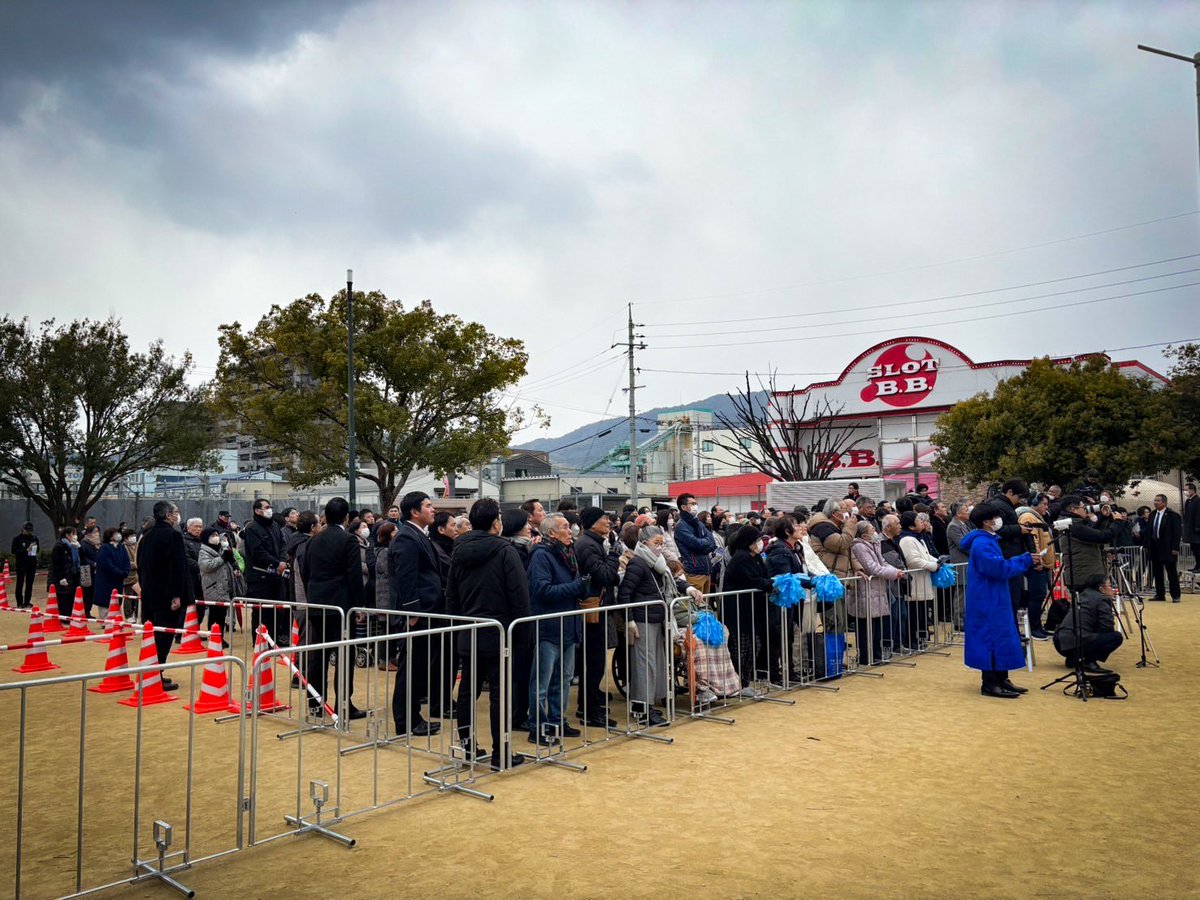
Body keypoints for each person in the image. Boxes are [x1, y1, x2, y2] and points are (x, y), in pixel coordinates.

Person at [445, 498, 530, 768]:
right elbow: (519, 594)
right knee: (498, 693)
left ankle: (469, 747)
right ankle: (500, 751)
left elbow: (452, 596)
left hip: (469, 630)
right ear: (496, 523)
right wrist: (523, 632)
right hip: (500, 631)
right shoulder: (505, 551)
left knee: (468, 692)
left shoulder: (458, 550)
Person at [960, 503, 1039, 698]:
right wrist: (1025, 560)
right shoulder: (982, 543)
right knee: (990, 638)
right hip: (987, 599)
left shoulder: (988, 539)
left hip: (993, 596)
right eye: (996, 517)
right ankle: (990, 682)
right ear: (986, 522)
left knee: (1001, 636)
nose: (999, 521)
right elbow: (998, 569)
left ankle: (1002, 677)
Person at [299, 497, 366, 720]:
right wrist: (359, 607)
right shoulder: (348, 540)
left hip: (317, 602)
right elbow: (354, 576)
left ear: (325, 517)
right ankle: (343, 705)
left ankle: (315, 703)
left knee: (318, 655)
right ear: (347, 518)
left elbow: (305, 571)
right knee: (344, 655)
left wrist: (313, 595)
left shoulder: (313, 540)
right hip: (341, 604)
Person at [390, 491, 450, 737]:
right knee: (411, 667)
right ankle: (406, 719)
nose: (432, 509)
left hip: (429, 609)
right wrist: (412, 611)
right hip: (419, 612)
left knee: (419, 666)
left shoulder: (418, 535)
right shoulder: (407, 538)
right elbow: (406, 577)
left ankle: (413, 716)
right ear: (415, 511)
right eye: (428, 505)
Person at [526, 513, 590, 744]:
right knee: (541, 683)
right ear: (551, 532)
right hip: (548, 626)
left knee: (562, 680)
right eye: (565, 527)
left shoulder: (568, 554)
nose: (570, 530)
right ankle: (538, 726)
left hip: (568, 626)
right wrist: (577, 586)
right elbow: (543, 591)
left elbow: (576, 587)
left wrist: (582, 586)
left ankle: (557, 721)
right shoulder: (541, 556)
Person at [617, 524, 688, 726]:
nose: (660, 546)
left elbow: (672, 581)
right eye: (657, 543)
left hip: (657, 617)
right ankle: (642, 709)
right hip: (643, 619)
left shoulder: (658, 562)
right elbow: (625, 593)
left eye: (662, 543)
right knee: (644, 665)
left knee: (655, 663)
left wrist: (688, 588)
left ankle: (650, 705)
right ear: (645, 542)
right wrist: (629, 620)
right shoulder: (638, 563)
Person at [573, 506, 621, 728]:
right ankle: (589, 711)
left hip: (598, 607)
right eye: (604, 518)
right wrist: (613, 556)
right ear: (593, 522)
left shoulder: (591, 542)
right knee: (593, 662)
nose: (609, 521)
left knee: (595, 662)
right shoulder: (588, 545)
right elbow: (604, 576)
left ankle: (590, 706)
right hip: (592, 609)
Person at [136, 501, 190, 685]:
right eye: (176, 512)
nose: (177, 515)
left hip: (150, 592)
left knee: (152, 633)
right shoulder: (173, 535)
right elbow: (177, 567)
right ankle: (156, 674)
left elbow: (141, 565)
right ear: (168, 515)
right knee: (164, 635)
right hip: (166, 594)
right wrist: (176, 594)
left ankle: (152, 671)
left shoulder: (147, 536)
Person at [721, 524, 774, 692]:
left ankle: (745, 681)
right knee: (740, 649)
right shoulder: (741, 558)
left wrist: (770, 582)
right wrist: (771, 584)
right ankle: (737, 684)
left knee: (754, 646)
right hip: (738, 611)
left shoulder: (756, 558)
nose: (760, 543)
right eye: (757, 540)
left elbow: (764, 576)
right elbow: (754, 581)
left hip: (752, 610)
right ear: (749, 543)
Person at [849, 520, 902, 664]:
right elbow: (871, 567)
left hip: (878, 588)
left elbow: (882, 562)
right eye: (872, 529)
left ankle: (877, 654)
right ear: (865, 534)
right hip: (866, 589)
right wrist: (893, 573)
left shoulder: (875, 544)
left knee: (878, 624)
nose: (875, 531)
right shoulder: (859, 547)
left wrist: (895, 571)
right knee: (866, 626)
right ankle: (866, 656)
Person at [1052, 574, 1123, 672]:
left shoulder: (1081, 595)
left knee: (1087, 632)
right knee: (1116, 637)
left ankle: (1074, 658)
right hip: (1077, 641)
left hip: (1059, 642)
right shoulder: (1102, 599)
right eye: (1110, 586)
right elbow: (1107, 627)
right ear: (1101, 588)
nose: (1112, 589)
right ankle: (1089, 661)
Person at [765, 516, 806, 683]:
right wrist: (811, 581)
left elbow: (799, 573)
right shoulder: (780, 550)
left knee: (788, 635)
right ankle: (775, 674)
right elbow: (787, 577)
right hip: (780, 601)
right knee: (778, 637)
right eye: (796, 526)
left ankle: (789, 671)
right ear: (787, 531)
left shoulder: (795, 548)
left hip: (790, 600)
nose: (800, 528)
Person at [243, 498, 288, 642]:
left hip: (276, 576)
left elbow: (283, 545)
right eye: (267, 507)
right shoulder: (252, 528)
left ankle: (273, 639)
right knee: (262, 612)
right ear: (258, 511)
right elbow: (258, 552)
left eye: (270, 506)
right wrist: (276, 563)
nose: (270, 509)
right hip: (259, 577)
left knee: (277, 611)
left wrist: (282, 561)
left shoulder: (274, 525)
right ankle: (260, 641)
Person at [1059, 495, 1120, 596]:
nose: (1086, 510)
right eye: (1083, 508)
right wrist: (1118, 522)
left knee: (1087, 607)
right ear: (1072, 509)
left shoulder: (1069, 523)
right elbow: (1102, 537)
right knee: (1093, 607)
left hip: (1081, 574)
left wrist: (1103, 518)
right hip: (1086, 577)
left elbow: (1093, 534)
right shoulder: (1074, 526)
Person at [898, 511, 939, 648]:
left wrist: (938, 562)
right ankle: (912, 641)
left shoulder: (919, 538)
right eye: (918, 520)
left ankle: (921, 639)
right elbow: (913, 560)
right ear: (910, 526)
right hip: (915, 582)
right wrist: (933, 566)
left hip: (923, 580)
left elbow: (926, 556)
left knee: (921, 613)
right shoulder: (907, 540)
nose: (922, 522)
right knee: (914, 615)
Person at [1018, 495, 1054, 640]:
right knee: (1036, 596)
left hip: (1042, 563)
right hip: (1037, 564)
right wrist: (1037, 561)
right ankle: (1034, 627)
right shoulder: (1028, 517)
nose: (1046, 507)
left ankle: (1038, 625)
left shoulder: (1037, 517)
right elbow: (1033, 541)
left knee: (1039, 596)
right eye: (1044, 504)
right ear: (1035, 503)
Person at [198, 527, 236, 642]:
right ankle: (215, 638)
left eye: (216, 534)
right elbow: (207, 566)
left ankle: (220, 637)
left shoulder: (219, 549)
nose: (216, 537)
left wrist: (229, 558)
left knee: (221, 615)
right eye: (213, 535)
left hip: (223, 587)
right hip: (213, 587)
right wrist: (222, 558)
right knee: (214, 615)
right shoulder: (203, 552)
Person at [674, 493, 716, 593]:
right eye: (692, 503)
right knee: (697, 605)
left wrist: (703, 544)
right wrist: (704, 543)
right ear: (683, 507)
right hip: (694, 572)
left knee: (705, 606)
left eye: (695, 503)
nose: (695, 506)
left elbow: (712, 542)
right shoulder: (681, 526)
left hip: (706, 571)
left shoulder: (698, 523)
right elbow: (696, 544)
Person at [1145, 493, 1182, 602]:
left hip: (1168, 547)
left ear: (1164, 503)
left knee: (1171, 572)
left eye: (1158, 500)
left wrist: (1175, 548)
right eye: (1155, 500)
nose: (1155, 502)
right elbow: (1149, 531)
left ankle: (1175, 595)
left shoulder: (1172, 515)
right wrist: (1147, 545)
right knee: (1157, 572)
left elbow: (1177, 533)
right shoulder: (1152, 515)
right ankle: (1160, 594)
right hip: (1155, 547)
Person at [372, 521, 398, 671]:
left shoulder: (387, 551)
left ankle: (391, 658)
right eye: (394, 531)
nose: (397, 533)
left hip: (387, 596)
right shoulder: (384, 552)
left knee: (391, 629)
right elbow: (388, 572)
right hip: (385, 597)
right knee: (386, 629)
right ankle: (384, 660)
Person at [93, 527, 131, 621]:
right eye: (115, 533)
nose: (118, 535)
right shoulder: (105, 548)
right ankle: (105, 620)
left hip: (118, 579)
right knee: (106, 600)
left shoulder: (121, 547)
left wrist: (125, 571)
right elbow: (107, 565)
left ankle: (116, 619)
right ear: (110, 536)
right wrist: (120, 573)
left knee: (117, 599)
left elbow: (127, 560)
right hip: (106, 580)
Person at [49, 526, 81, 608]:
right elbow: (57, 563)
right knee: (64, 598)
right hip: (62, 577)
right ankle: (65, 617)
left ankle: (70, 615)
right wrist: (61, 577)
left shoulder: (73, 546)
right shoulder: (59, 546)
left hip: (72, 575)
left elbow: (76, 561)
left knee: (72, 596)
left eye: (76, 534)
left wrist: (78, 548)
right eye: (73, 534)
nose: (75, 536)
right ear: (67, 535)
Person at [11, 522, 39, 609]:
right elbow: (13, 550)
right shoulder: (17, 539)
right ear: (23, 529)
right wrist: (25, 550)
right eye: (27, 530)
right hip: (21, 564)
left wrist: (33, 550)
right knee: (20, 583)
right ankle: (19, 602)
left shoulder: (34, 538)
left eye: (30, 530)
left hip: (31, 563)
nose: (29, 532)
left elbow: (38, 549)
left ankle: (27, 601)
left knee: (29, 584)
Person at [182, 517, 204, 616]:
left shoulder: (203, 541)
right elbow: (187, 560)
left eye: (200, 527)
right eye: (196, 526)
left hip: (202, 580)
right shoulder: (183, 541)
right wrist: (204, 566)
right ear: (188, 528)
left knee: (201, 608)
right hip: (190, 579)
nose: (198, 529)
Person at [79, 525, 101, 616]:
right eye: (95, 532)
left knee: (92, 592)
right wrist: (93, 563)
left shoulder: (98, 544)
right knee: (86, 592)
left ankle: (88, 611)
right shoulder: (83, 543)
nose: (97, 534)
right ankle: (85, 611)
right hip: (86, 570)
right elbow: (82, 558)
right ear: (88, 533)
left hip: (96, 571)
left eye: (98, 532)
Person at [1184, 483, 1200, 573]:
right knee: (1194, 549)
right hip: (1190, 530)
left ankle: (1199, 566)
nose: (1185, 492)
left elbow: (1198, 514)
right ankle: (1197, 565)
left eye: (1186, 490)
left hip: (1196, 530)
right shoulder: (1188, 501)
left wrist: (1197, 527)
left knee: (1198, 549)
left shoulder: (1197, 500)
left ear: (1192, 490)